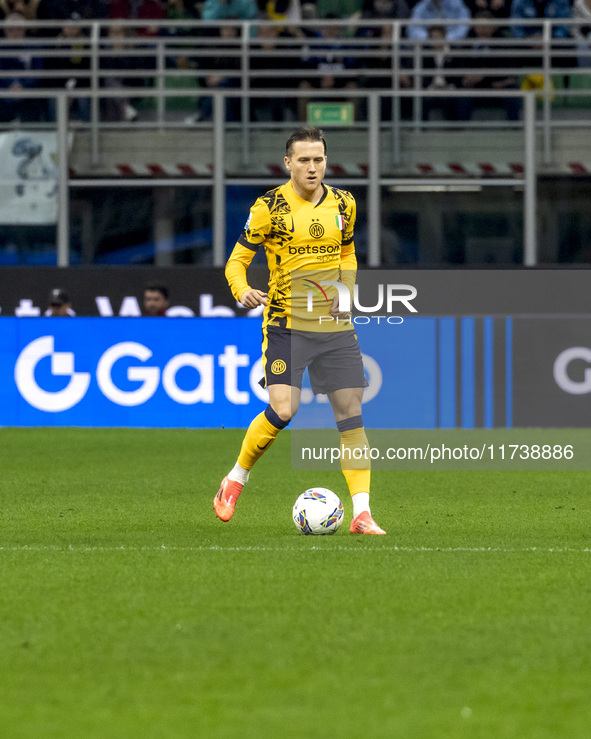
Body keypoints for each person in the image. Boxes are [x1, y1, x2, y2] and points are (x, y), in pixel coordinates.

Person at [214, 125, 386, 535]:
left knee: (351, 415)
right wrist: (241, 290)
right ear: (287, 162)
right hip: (286, 324)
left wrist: (345, 292)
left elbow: (348, 253)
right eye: (304, 160)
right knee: (285, 410)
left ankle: (361, 513)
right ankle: (236, 478)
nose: (313, 167)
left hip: (334, 326)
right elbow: (236, 261)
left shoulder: (344, 203)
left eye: (319, 159)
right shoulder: (268, 207)